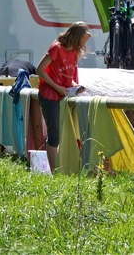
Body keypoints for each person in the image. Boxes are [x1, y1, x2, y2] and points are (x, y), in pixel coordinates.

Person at [36, 21, 90, 172]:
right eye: (83, 39)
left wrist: (75, 87)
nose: (84, 43)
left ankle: (61, 168)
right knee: (54, 136)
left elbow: (68, 77)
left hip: (63, 97)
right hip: (49, 96)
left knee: (64, 135)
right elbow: (40, 70)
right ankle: (54, 172)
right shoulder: (56, 48)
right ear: (76, 36)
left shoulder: (74, 53)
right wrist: (57, 87)